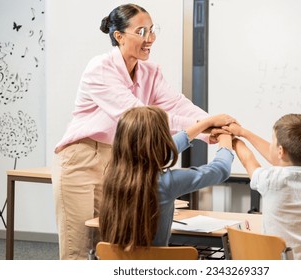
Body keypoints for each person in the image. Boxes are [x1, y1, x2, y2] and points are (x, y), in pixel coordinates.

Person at [52, 3, 215, 260]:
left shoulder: (151, 71)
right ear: (119, 36)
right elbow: (139, 117)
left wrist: (213, 126)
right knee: (79, 250)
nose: (150, 38)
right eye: (141, 31)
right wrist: (201, 129)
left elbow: (177, 104)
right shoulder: (100, 68)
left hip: (117, 162)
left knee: (111, 246)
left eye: (151, 30)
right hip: (81, 160)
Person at [99, 106, 235, 249]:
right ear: (161, 140)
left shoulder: (112, 177)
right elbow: (220, 170)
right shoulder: (166, 182)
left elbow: (160, 151)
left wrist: (205, 124)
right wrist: (225, 137)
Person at [224, 113, 301, 260]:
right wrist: (243, 132)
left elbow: (248, 161)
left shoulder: (272, 180)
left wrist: (234, 141)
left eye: (272, 141)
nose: (270, 144)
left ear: (281, 151)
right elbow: (277, 158)